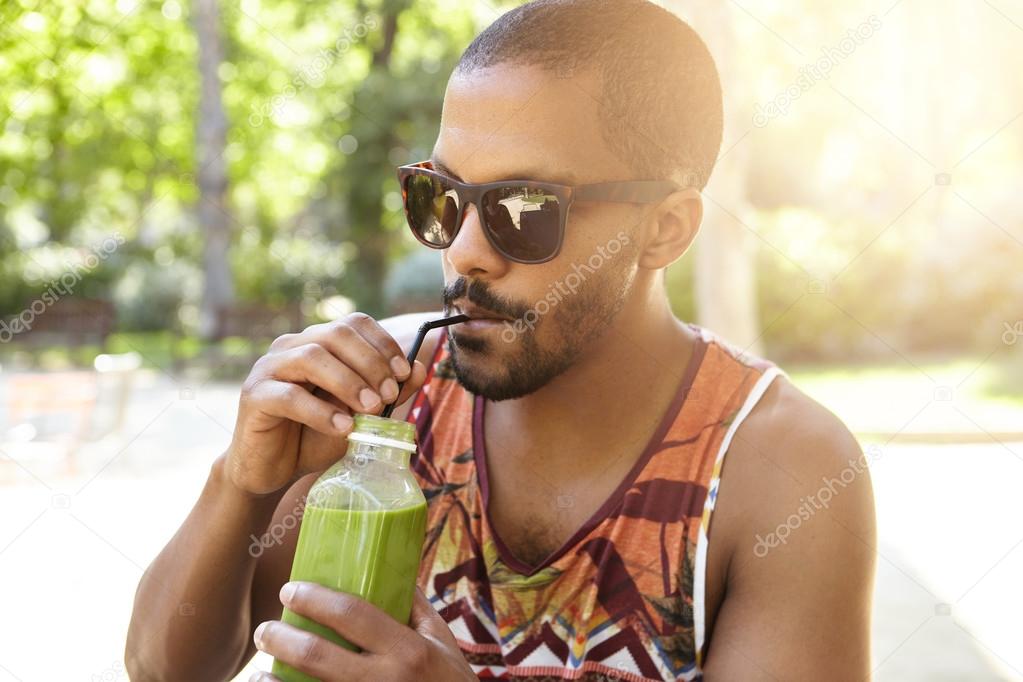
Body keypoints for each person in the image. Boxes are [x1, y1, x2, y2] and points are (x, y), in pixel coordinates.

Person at [126, 1, 875, 679]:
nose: (463, 253)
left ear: (663, 229)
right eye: (441, 198)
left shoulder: (780, 469)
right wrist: (240, 484)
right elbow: (168, 672)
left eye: (524, 207)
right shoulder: (386, 400)